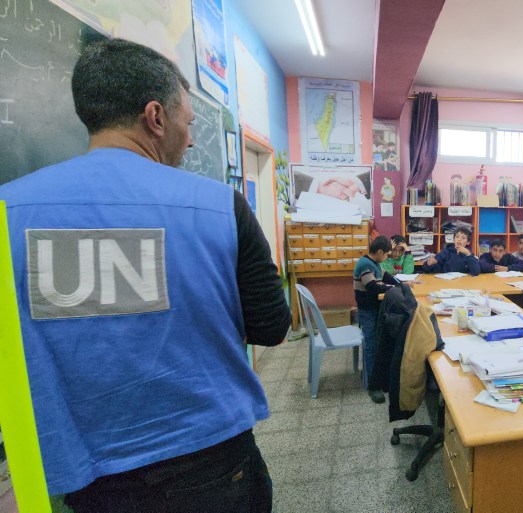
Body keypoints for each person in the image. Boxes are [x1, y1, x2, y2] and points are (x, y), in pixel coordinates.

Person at [0, 39, 291, 512]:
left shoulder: (8, 209)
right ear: (155, 117)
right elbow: (271, 326)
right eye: (188, 123)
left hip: (83, 470)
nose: (191, 139)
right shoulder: (219, 205)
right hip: (211, 457)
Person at [354, 235, 399, 403]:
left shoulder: (375, 264)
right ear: (380, 252)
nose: (387, 256)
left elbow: (385, 276)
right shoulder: (365, 264)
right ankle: (372, 386)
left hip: (375, 309)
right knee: (372, 345)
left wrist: (400, 284)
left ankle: (380, 377)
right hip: (368, 311)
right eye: (386, 254)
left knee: (380, 342)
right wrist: (394, 288)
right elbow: (373, 287)